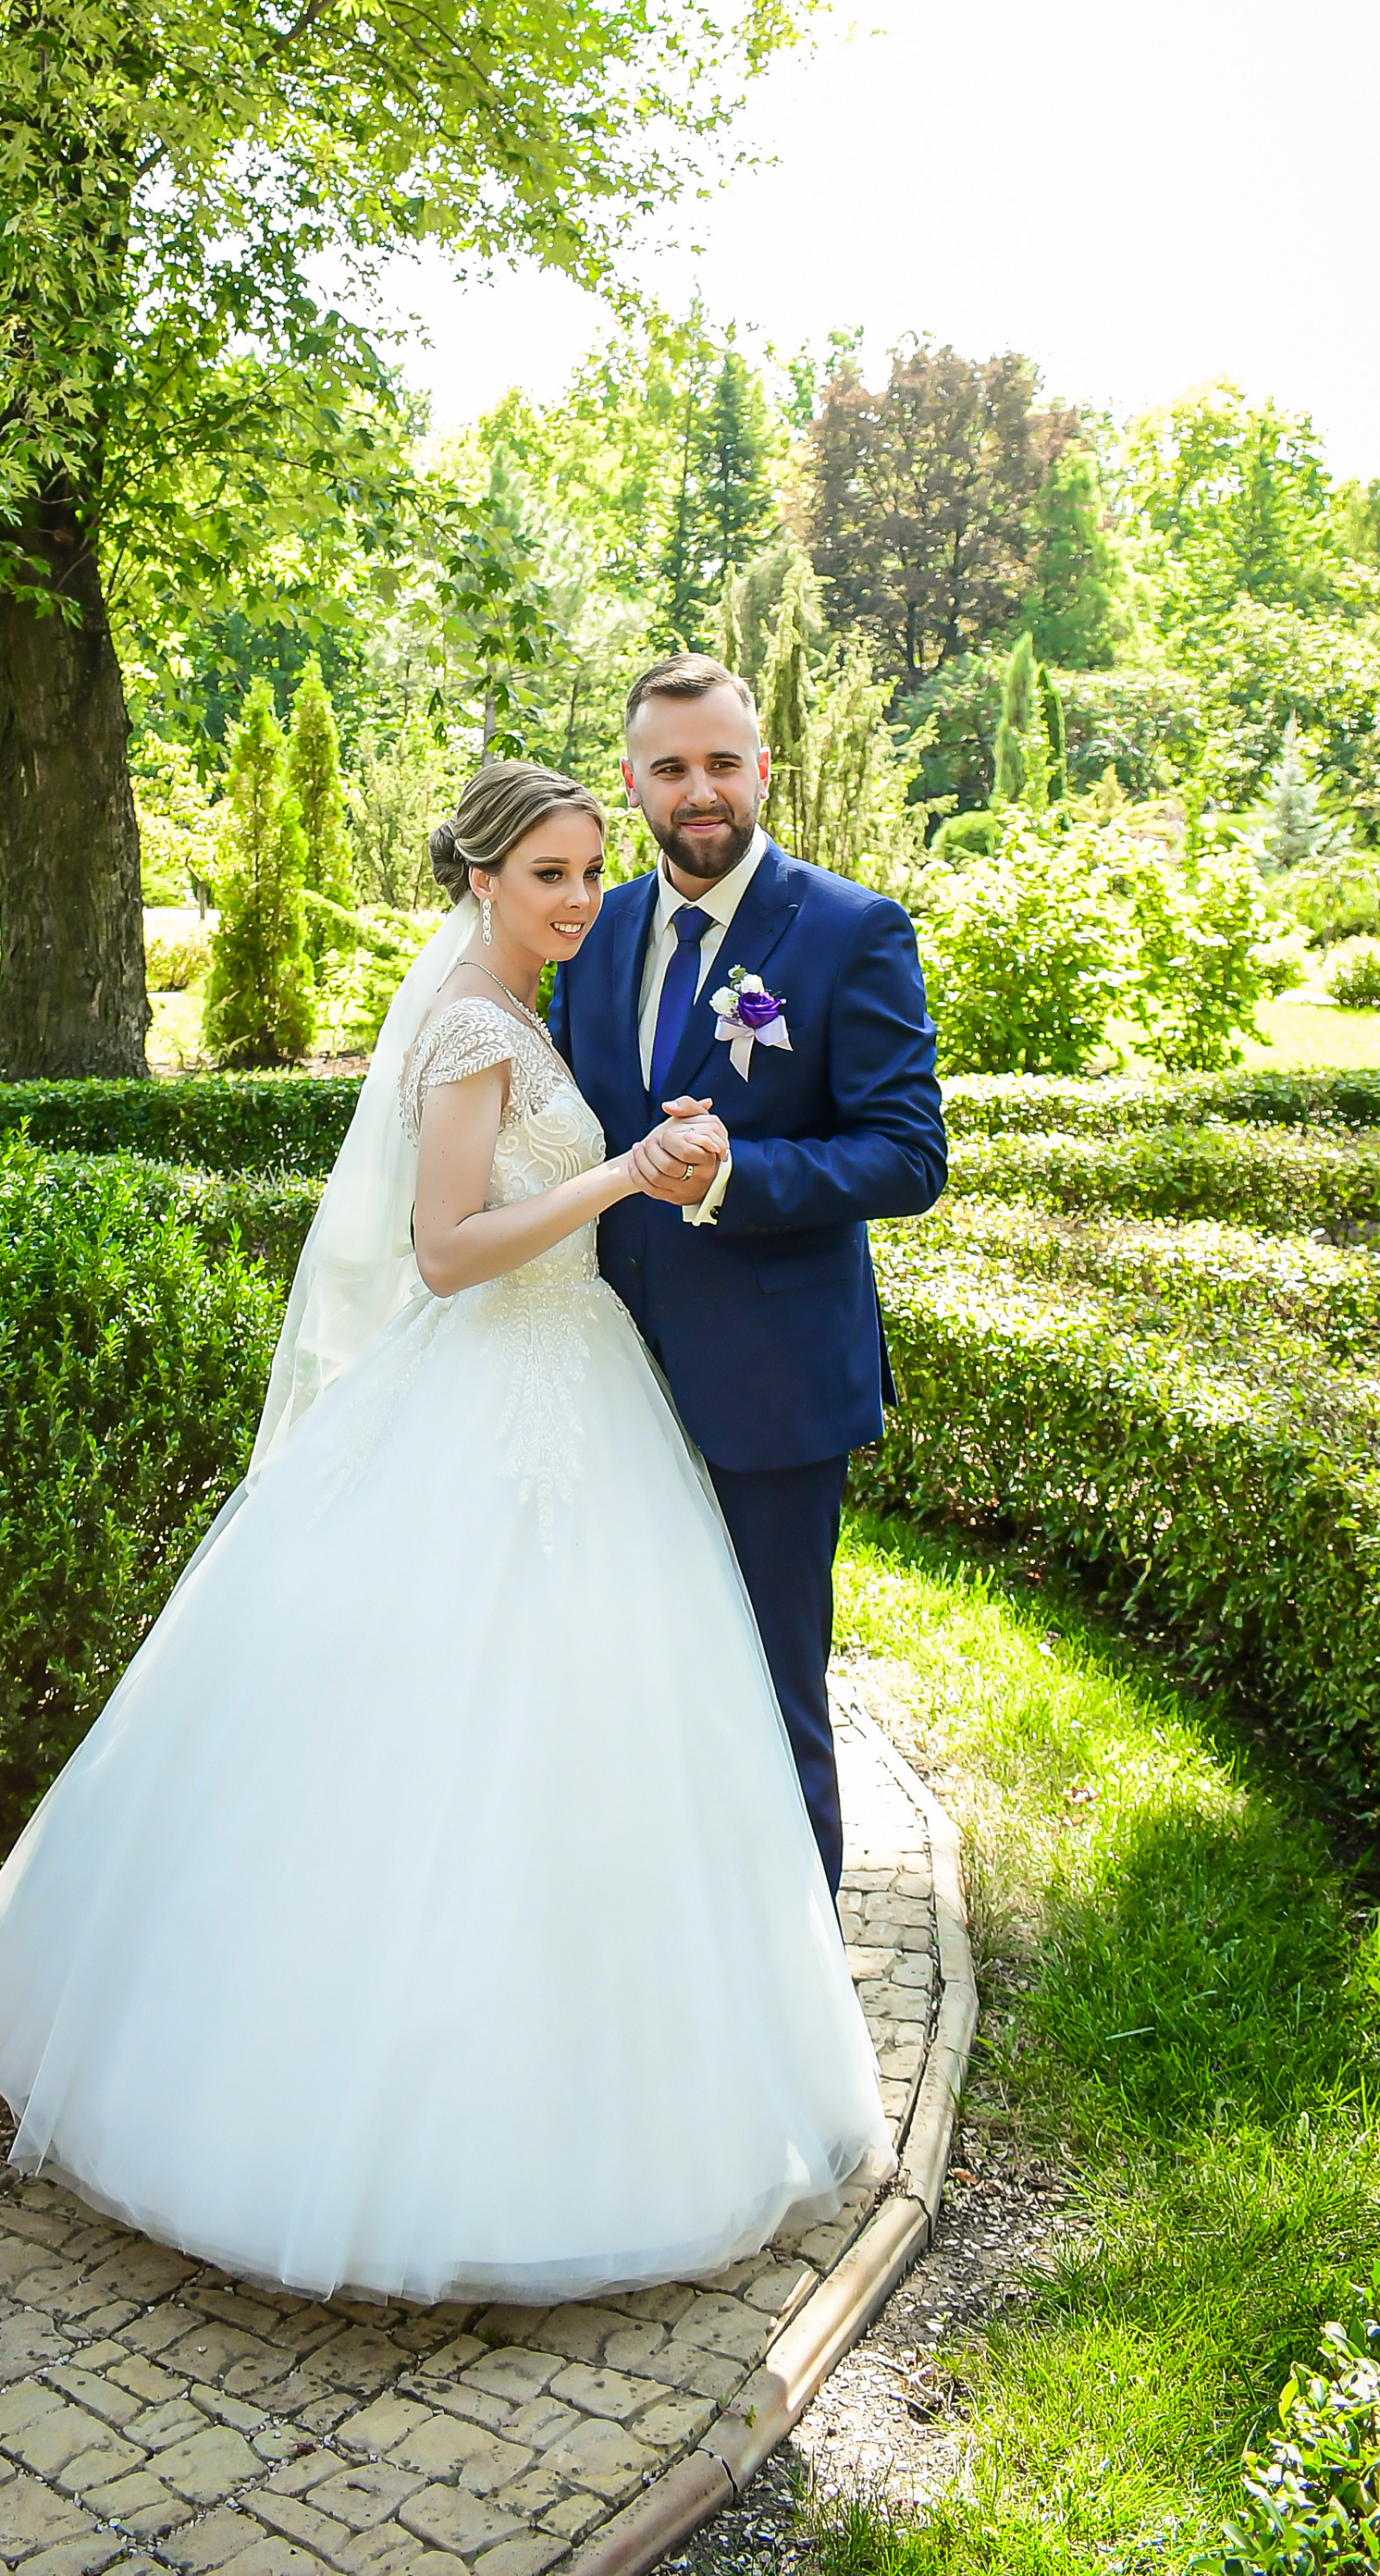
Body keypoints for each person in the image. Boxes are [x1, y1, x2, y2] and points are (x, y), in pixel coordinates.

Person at [0, 758, 891, 2305]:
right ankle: (398, 2132)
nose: (583, 901)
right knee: (450, 1746)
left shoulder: (516, 1004)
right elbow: (445, 1252)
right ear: (478, 878)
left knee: (593, 1740)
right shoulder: (467, 1020)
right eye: (551, 877)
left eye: (594, 872)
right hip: (503, 1380)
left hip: (573, 1384)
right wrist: (622, 1176)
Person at [549, 656, 947, 1892]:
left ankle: (798, 2008)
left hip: (771, 1388)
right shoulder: (594, 928)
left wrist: (735, 1175)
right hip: (604, 1374)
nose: (700, 791)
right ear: (634, 785)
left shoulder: (848, 930)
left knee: (774, 1692)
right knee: (620, 1679)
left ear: (761, 769)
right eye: (671, 769)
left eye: (723, 763)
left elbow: (907, 1153)